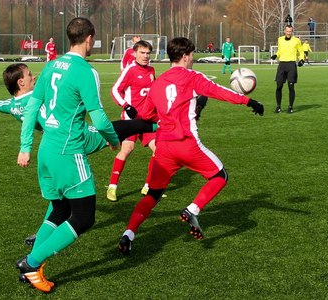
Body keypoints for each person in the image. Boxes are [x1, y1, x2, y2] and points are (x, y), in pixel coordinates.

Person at [0, 63, 157, 247]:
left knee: (59, 201)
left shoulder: (13, 104)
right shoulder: (36, 102)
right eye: (29, 75)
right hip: (75, 140)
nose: (34, 77)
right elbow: (50, 120)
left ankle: (41, 235)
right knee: (124, 127)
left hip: (53, 148)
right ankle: (163, 125)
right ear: (20, 83)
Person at [117, 37, 264, 255]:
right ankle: (192, 209)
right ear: (185, 56)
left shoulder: (157, 83)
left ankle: (128, 234)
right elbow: (219, 91)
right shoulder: (192, 77)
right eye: (192, 55)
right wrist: (249, 101)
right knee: (220, 176)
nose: (193, 58)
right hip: (186, 144)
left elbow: (146, 117)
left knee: (153, 194)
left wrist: (129, 120)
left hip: (164, 147)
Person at [15, 17, 121, 293]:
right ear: (90, 39)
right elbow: (98, 117)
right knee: (84, 217)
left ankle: (29, 265)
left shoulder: (50, 66)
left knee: (61, 209)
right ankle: (31, 263)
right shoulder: (85, 71)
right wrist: (113, 141)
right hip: (68, 152)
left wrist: (25, 146)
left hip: (46, 150)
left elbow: (31, 109)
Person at [107, 40, 157, 202]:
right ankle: (113, 186)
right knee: (127, 149)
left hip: (148, 119)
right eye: (142, 53)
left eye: (148, 53)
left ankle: (148, 186)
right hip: (131, 120)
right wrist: (126, 106)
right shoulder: (130, 70)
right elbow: (115, 90)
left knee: (158, 150)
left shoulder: (151, 70)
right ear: (134, 53)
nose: (145, 56)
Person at [271, 25, 304, 114]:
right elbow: (279, 51)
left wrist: (301, 59)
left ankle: (290, 107)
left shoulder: (296, 41)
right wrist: (276, 55)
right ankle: (278, 107)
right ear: (284, 31)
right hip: (282, 65)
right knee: (279, 86)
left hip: (291, 65)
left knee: (291, 86)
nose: (289, 33)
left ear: (292, 32)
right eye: (287, 31)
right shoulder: (280, 39)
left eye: (290, 31)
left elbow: (300, 51)